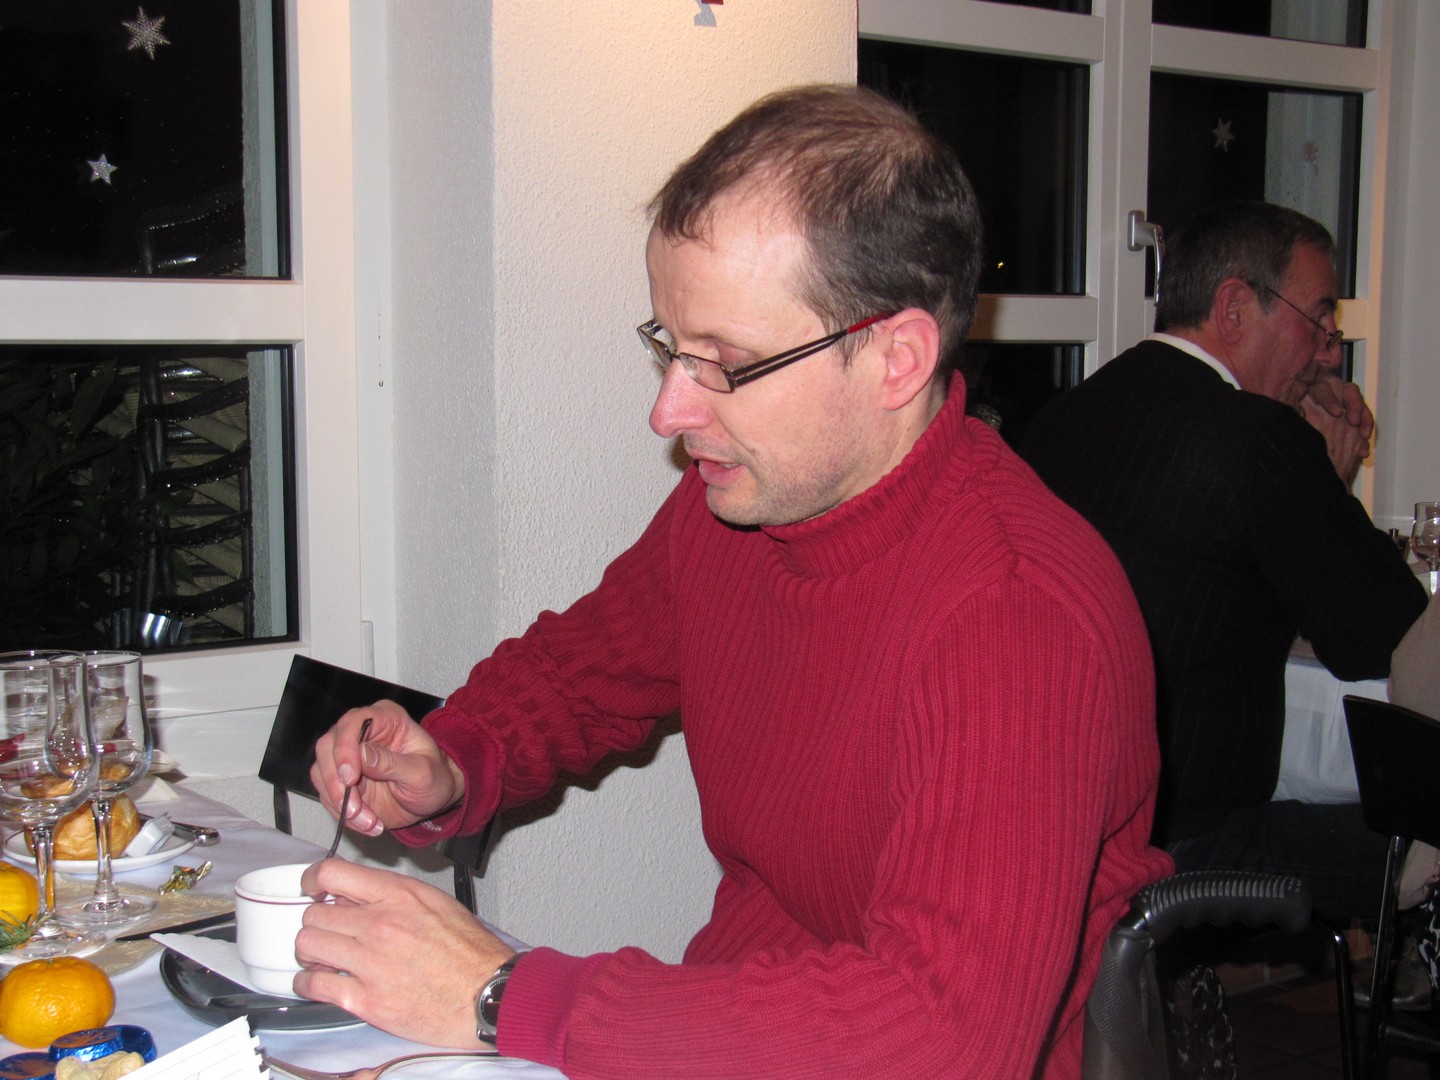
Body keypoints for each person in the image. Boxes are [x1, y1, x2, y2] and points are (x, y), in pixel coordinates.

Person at [296, 84, 1171, 1078]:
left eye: (728, 361)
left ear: (896, 359)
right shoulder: (742, 507)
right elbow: (580, 674)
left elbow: (939, 1038)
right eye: (670, 346)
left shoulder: (1016, 614)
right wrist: (455, 759)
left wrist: (503, 995)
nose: (669, 412)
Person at [1020, 199, 1428, 920]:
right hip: (1184, 839)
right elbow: (1384, 639)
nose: (1329, 353)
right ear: (1235, 308)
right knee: (1420, 824)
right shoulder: (1259, 437)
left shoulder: (1064, 413)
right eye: (1318, 321)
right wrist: (1327, 485)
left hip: (1054, 827)